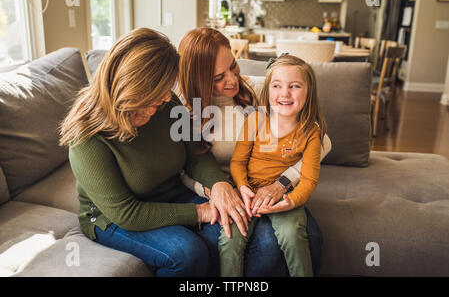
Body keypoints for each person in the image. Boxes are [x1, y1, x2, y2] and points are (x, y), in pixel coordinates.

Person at [59, 27, 243, 277]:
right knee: (187, 252)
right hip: (113, 218)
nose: (167, 98)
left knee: (234, 232)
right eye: (158, 93)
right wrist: (200, 211)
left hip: (172, 195)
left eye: (168, 89)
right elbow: (127, 213)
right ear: (132, 88)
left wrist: (220, 184)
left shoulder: (167, 104)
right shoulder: (87, 138)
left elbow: (195, 155)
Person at [177, 27, 331, 276]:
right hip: (222, 192)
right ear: (197, 79)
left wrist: (283, 183)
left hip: (268, 185)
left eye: (233, 66)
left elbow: (323, 141)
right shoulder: (187, 112)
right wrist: (212, 190)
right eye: (218, 77)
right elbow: (183, 168)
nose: (232, 80)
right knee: (263, 245)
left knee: (309, 235)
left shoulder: (263, 89)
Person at [222, 54, 327, 277]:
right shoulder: (255, 120)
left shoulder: (311, 132)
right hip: (246, 193)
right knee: (230, 236)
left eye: (295, 86)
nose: (285, 93)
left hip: (284, 197)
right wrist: (242, 188)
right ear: (268, 90)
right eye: (277, 86)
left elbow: (308, 180)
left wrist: (290, 203)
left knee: (293, 235)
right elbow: (238, 162)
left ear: (309, 92)